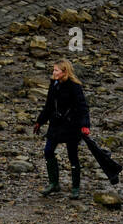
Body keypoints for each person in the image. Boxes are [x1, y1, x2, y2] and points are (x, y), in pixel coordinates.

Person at [34, 59, 90, 199]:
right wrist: (39, 122)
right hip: (56, 124)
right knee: (48, 151)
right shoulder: (54, 84)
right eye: (53, 70)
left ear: (64, 72)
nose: (53, 73)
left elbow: (83, 107)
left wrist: (85, 125)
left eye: (56, 70)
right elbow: (48, 106)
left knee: (72, 156)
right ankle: (54, 183)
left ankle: (75, 188)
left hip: (72, 125)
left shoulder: (74, 86)